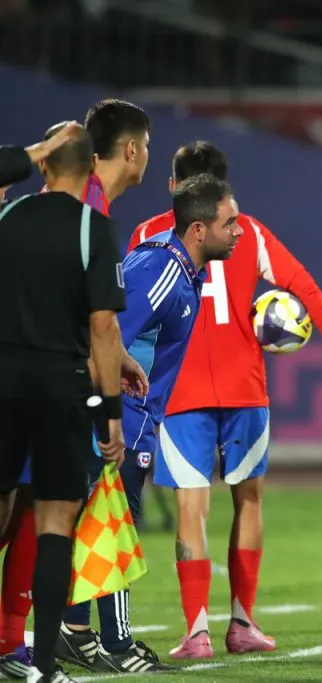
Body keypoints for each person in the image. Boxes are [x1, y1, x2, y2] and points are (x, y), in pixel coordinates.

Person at [126, 141, 322, 659]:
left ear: (174, 186)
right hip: (244, 388)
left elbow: (129, 310)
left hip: (179, 390)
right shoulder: (248, 232)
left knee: (192, 507)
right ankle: (242, 623)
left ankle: (196, 631)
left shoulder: (147, 234)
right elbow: (304, 285)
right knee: (249, 499)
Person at [56, 173, 242, 675]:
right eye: (231, 222)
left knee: (98, 522)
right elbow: (105, 334)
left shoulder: (183, 268)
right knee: (116, 525)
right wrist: (108, 414)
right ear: (200, 230)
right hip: (125, 418)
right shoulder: (163, 271)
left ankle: (74, 632)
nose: (240, 231)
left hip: (132, 415)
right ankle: (116, 644)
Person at [0, 100, 154, 675]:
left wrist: (29, 156)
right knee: (49, 522)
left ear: (43, 165)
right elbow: (101, 326)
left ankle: (15, 644)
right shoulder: (92, 222)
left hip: (7, 379)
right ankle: (37, 656)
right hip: (61, 385)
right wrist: (109, 407)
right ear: (104, 161)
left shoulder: (10, 216)